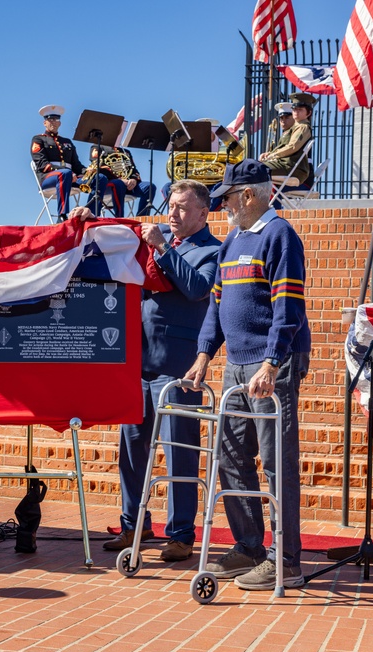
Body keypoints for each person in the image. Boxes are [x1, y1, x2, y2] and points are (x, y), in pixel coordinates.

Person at [77, 180, 221, 561]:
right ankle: (132, 526)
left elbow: (196, 288)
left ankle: (180, 535)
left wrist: (160, 248)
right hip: (137, 365)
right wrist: (91, 228)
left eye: (183, 208)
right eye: (171, 205)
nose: (173, 214)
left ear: (204, 212)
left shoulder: (212, 250)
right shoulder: (156, 244)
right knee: (131, 450)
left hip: (179, 369)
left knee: (180, 453)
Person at [184, 159, 311, 590]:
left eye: (227, 199)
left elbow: (287, 309)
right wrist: (204, 355)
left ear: (250, 196)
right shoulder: (232, 240)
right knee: (231, 456)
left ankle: (286, 560)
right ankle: (250, 546)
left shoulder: (280, 236)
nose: (222, 207)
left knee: (277, 464)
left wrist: (272, 364)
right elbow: (216, 306)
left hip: (270, 366)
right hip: (236, 366)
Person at [31, 105, 107, 219]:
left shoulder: (67, 142)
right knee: (65, 173)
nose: (53, 122)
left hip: (71, 178)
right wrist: (67, 172)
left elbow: (76, 165)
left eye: (56, 119)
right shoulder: (38, 139)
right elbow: (41, 164)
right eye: (50, 119)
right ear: (44, 123)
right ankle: (62, 215)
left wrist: (87, 171)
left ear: (60, 123)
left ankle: (91, 214)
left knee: (99, 178)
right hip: (48, 178)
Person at [260, 94, 314, 188]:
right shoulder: (295, 128)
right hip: (288, 167)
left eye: (300, 109)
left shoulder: (303, 127)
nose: (296, 112)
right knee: (252, 168)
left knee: (253, 168)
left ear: (308, 113)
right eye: (294, 109)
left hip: (292, 169)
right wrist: (270, 154)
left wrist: (272, 155)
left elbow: (292, 147)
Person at [88, 145, 158, 218]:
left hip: (128, 185)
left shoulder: (126, 152)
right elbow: (98, 167)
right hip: (109, 184)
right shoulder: (97, 147)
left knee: (149, 187)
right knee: (119, 184)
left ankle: (142, 218)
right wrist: (120, 179)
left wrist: (134, 179)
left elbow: (133, 169)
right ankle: (120, 217)